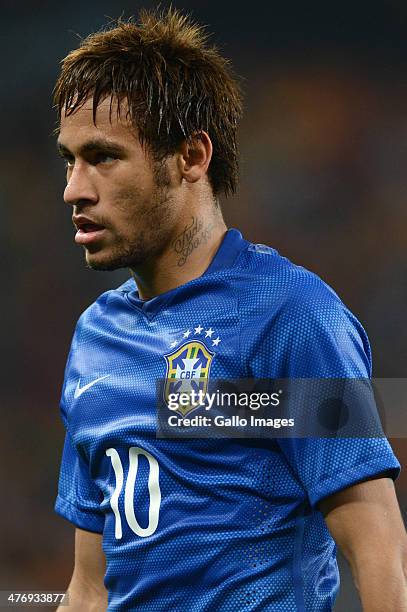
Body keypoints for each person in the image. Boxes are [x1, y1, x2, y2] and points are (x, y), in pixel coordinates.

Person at [53, 8, 406, 611]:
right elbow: (89, 587)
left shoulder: (292, 315)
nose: (75, 190)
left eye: (104, 157)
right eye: (69, 160)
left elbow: (378, 548)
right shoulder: (94, 339)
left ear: (191, 156)